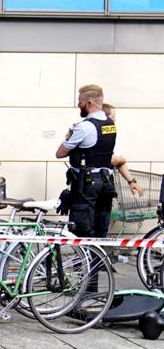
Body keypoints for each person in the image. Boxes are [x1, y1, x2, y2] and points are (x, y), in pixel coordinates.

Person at [55, 84, 116, 238]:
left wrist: (69, 136)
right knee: (100, 225)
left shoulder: (84, 128)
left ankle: (83, 261)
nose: (78, 105)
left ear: (89, 103)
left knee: (81, 227)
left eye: (80, 102)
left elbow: (60, 153)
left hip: (87, 184)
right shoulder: (110, 125)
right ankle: (99, 260)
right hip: (106, 181)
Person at [103, 104, 144, 197]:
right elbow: (115, 159)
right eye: (113, 117)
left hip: (106, 182)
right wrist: (118, 159)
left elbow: (119, 161)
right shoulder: (90, 131)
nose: (115, 120)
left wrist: (131, 181)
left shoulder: (109, 135)